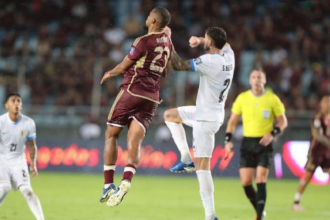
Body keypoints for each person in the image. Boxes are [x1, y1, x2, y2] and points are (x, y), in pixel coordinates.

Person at [99, 6, 172, 207]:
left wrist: (110, 73)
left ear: (154, 21)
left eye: (149, 15)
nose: (147, 17)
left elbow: (123, 66)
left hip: (132, 91)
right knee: (135, 142)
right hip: (152, 98)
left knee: (111, 134)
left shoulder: (142, 41)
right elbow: (165, 71)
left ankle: (108, 185)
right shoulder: (167, 43)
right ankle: (126, 181)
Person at [164, 27, 234, 220]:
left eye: (206, 40)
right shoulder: (229, 55)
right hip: (209, 112)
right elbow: (223, 43)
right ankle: (186, 158)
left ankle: (210, 216)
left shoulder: (210, 61)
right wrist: (199, 39)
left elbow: (178, 65)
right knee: (170, 115)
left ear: (210, 43)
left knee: (203, 167)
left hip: (206, 120)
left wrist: (168, 40)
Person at [224, 70, 288, 220]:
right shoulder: (243, 98)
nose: (256, 80)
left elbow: (283, 121)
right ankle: (260, 210)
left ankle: (259, 216)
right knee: (246, 182)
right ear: (250, 80)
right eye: (253, 77)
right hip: (248, 143)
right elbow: (232, 121)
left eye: (259, 77)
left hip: (265, 144)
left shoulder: (272, 99)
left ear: (264, 80)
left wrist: (273, 133)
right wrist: (228, 140)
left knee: (260, 179)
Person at [0, 93, 45, 220]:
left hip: (19, 162)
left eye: (19, 101)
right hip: (2, 161)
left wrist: (33, 164)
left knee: (28, 191)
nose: (16, 103)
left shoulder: (29, 123)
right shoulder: (1, 122)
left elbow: (32, 146)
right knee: (4, 187)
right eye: (13, 101)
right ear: (6, 105)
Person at [291, 95, 330, 211]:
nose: (328, 104)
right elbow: (318, 135)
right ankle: (296, 202)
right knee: (308, 176)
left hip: (328, 153)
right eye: (326, 102)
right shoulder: (318, 117)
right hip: (316, 152)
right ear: (321, 104)